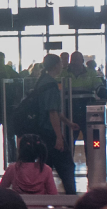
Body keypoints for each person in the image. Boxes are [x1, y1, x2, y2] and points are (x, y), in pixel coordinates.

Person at [31, 54, 77, 194]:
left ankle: (43, 201)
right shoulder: (50, 84)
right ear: (56, 65)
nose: (63, 65)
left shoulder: (42, 81)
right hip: (50, 133)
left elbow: (54, 111)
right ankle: (71, 200)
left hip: (41, 132)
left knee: (46, 167)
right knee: (67, 166)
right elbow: (52, 112)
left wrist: (68, 123)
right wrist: (59, 137)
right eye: (60, 63)